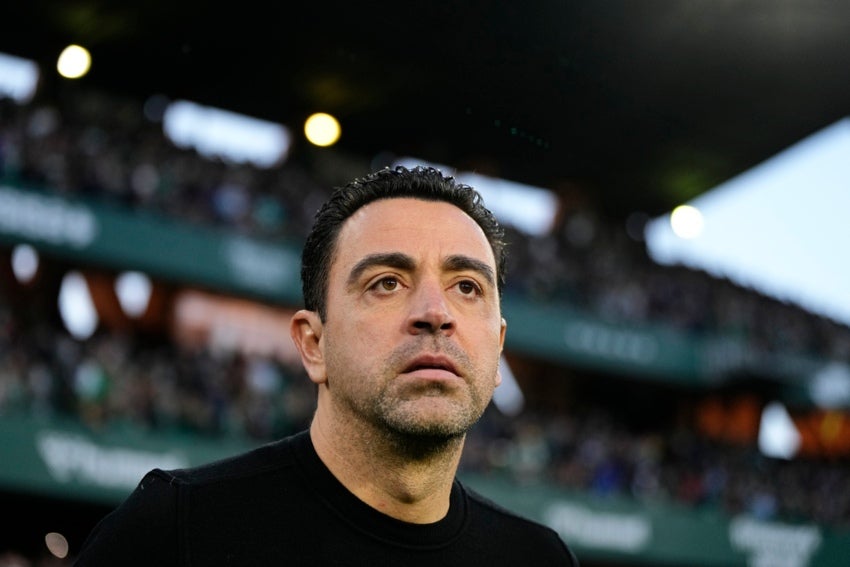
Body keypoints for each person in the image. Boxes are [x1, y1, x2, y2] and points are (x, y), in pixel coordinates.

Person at [73, 165, 579, 566]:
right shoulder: (175, 530)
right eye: (387, 282)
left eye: (467, 287)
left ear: (498, 348)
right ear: (313, 344)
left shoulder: (540, 558)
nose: (435, 312)